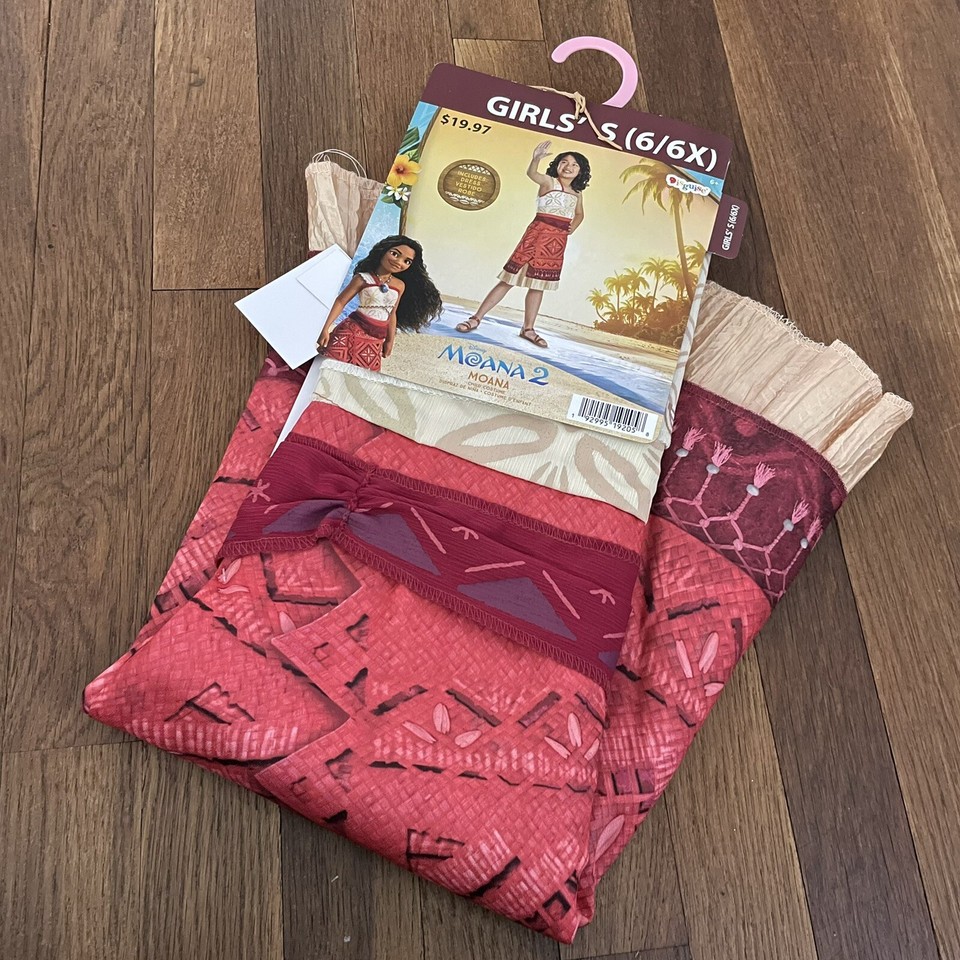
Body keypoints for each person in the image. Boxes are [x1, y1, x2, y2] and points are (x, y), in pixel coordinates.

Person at [455, 143, 589, 349]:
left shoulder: (577, 193)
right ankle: (476, 318)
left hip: (555, 244)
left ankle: (528, 329)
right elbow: (532, 174)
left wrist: (571, 229)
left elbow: (579, 214)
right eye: (564, 162)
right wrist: (536, 158)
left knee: (538, 285)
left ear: (581, 171)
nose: (568, 167)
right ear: (557, 165)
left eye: (574, 164)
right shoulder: (549, 182)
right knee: (508, 279)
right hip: (536, 236)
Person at [318, 235, 441, 371]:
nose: (399, 262)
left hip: (376, 339)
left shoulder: (399, 285)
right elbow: (341, 301)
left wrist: (390, 340)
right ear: (383, 251)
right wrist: (325, 328)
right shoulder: (362, 279)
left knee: (364, 375)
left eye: (407, 261)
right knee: (332, 369)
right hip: (351, 331)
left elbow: (392, 314)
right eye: (395, 254)